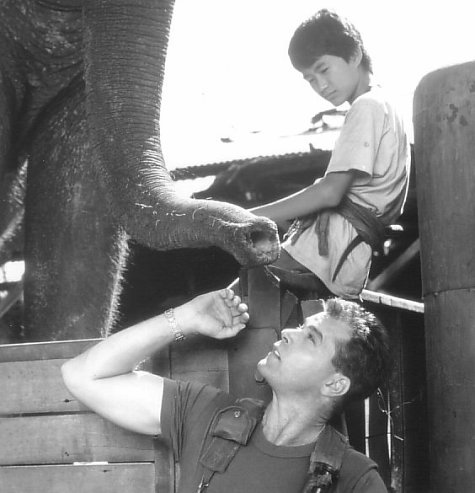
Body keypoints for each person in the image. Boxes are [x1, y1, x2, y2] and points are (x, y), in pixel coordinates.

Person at [62, 288, 390, 492]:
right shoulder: (207, 416)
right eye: (302, 327)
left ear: (335, 383)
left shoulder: (354, 480)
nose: (290, 332)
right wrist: (186, 318)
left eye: (311, 337)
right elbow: (83, 375)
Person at [246, 9, 410, 299]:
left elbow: (330, 193)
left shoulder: (367, 106)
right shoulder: (386, 105)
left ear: (355, 54)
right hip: (340, 257)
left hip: (321, 255)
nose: (321, 86)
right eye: (310, 79)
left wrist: (247, 216)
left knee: (229, 305)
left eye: (323, 69)